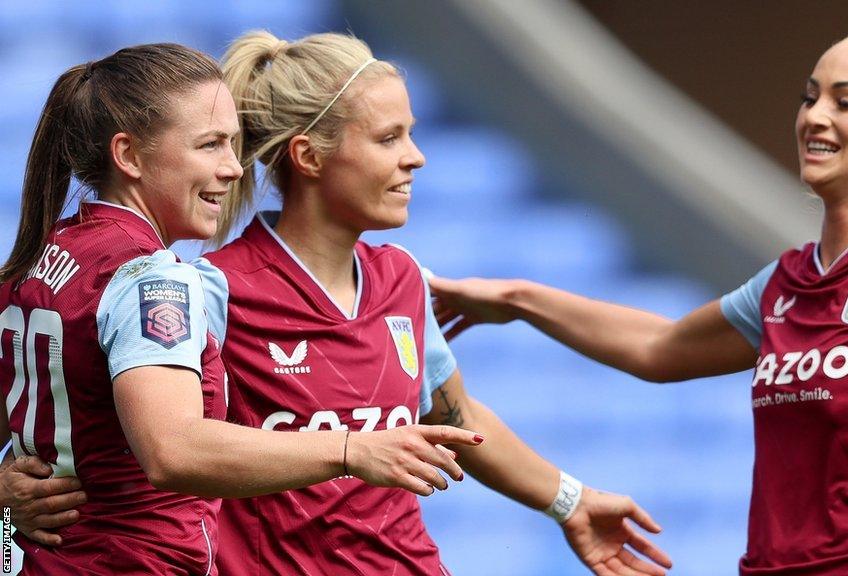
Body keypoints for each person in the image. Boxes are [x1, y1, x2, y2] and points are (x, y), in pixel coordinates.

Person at [2, 33, 673, 576]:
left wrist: (569, 500)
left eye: (410, 134)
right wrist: (8, 489)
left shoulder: (403, 279)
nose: (415, 158)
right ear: (310, 155)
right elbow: (149, 437)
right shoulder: (203, 288)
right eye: (388, 138)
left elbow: (456, 420)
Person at [428, 17, 848, 576]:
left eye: (846, 102)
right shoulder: (784, 283)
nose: (815, 117)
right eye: (810, 97)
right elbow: (657, 347)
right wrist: (515, 298)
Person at [0, 43, 483, 575]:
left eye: (232, 144)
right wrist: (350, 449)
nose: (234, 169)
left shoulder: (40, 259)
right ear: (129, 156)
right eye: (209, 145)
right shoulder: (152, 277)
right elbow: (173, 451)